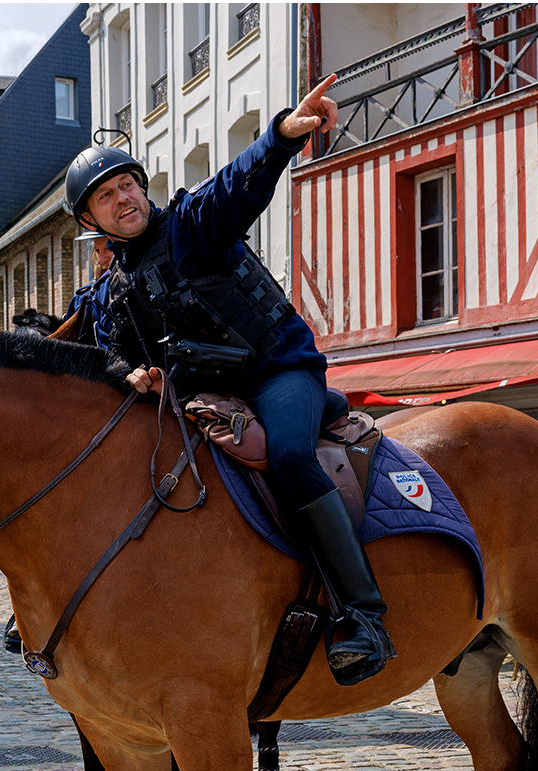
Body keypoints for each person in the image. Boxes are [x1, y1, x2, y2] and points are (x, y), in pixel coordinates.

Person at [63, 73, 396, 684]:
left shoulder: (191, 225)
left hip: (279, 375)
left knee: (293, 456)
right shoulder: (111, 293)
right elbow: (111, 359)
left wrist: (281, 137)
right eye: (107, 196)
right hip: (208, 402)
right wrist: (132, 374)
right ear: (92, 218)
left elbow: (236, 188)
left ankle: (362, 615)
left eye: (128, 183)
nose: (125, 197)